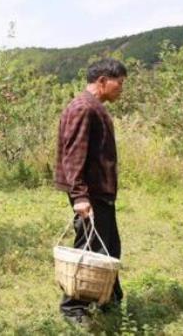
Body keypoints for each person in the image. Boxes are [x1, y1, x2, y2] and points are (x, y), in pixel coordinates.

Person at [54, 57, 127, 324]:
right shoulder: (84, 107)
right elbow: (74, 155)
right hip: (90, 192)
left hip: (99, 191)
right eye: (119, 83)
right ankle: (73, 307)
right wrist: (80, 196)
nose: (121, 88)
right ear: (102, 81)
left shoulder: (93, 106)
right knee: (89, 246)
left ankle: (110, 298)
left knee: (108, 246)